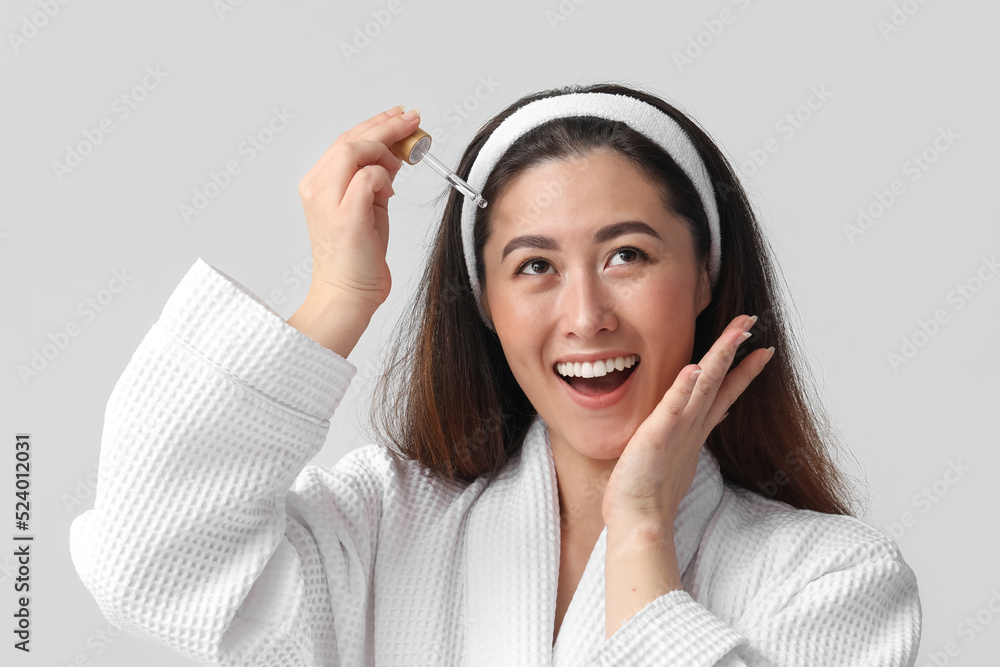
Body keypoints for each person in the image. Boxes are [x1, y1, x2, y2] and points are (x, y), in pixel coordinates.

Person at [69, 83, 921, 666]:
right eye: (534, 266)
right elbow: (152, 563)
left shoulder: (833, 581)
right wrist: (338, 295)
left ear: (704, 275)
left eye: (627, 253)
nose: (586, 315)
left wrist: (641, 537)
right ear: (484, 304)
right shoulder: (381, 524)